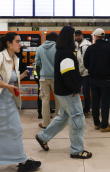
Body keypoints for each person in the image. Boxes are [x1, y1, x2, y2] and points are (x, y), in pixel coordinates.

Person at [0, 32, 41, 172]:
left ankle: (21, 160)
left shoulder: (14, 59)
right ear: (9, 43)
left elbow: (7, 79)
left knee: (15, 130)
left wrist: (22, 76)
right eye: (18, 41)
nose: (21, 44)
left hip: (8, 101)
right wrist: (7, 87)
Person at [35, 26, 92, 159]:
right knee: (77, 118)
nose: (75, 38)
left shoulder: (61, 51)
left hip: (62, 90)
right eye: (73, 36)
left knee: (63, 117)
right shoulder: (66, 53)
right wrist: (75, 89)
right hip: (68, 92)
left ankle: (43, 137)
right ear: (69, 37)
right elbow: (68, 74)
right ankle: (77, 150)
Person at [84, 28, 110, 132]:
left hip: (93, 79)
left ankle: (96, 123)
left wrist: (92, 69)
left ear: (95, 36)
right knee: (105, 103)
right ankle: (104, 125)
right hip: (106, 80)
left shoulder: (90, 48)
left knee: (94, 102)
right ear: (104, 37)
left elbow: (85, 63)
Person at [35, 32, 60, 129]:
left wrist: (39, 76)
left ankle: (45, 123)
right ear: (53, 38)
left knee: (45, 100)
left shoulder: (40, 48)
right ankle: (58, 123)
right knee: (58, 100)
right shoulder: (57, 47)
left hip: (43, 78)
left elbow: (37, 64)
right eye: (57, 38)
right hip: (56, 78)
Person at [75, 30, 92, 118]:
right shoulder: (78, 45)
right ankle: (84, 109)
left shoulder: (85, 46)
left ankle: (87, 110)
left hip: (85, 73)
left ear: (82, 36)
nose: (77, 37)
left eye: (79, 36)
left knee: (86, 92)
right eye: (76, 36)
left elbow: (83, 61)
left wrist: (80, 72)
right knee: (83, 92)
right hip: (81, 72)